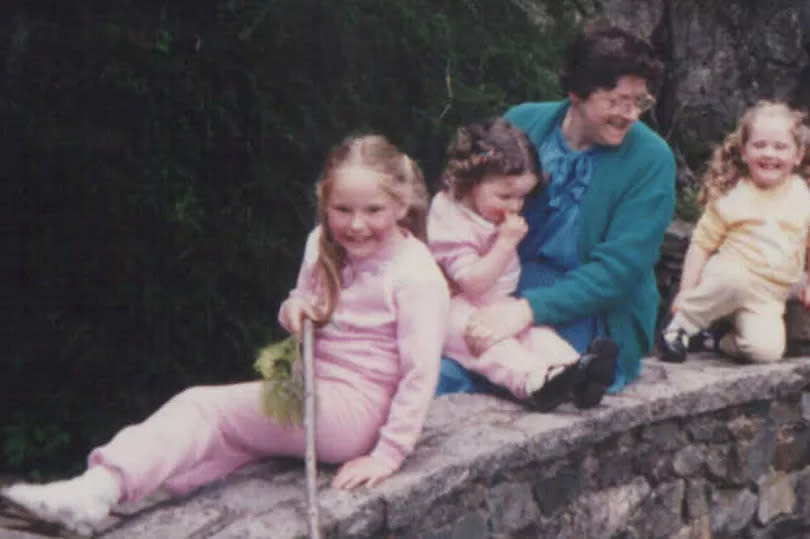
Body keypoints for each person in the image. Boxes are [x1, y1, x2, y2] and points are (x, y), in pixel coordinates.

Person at [2, 134, 450, 536]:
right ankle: (106, 496)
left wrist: (387, 455)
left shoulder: (415, 275)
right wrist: (293, 309)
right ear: (324, 201)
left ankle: (95, 492)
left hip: (354, 412)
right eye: (343, 209)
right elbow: (299, 297)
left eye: (373, 210)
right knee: (205, 459)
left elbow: (420, 374)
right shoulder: (321, 241)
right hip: (308, 389)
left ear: (402, 202)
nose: (355, 225)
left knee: (205, 407)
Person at [436, 18, 676, 397]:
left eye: (640, 101)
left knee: (503, 367)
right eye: (616, 100)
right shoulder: (524, 122)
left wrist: (525, 311)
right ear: (577, 93)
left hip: (592, 306)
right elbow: (467, 202)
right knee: (439, 360)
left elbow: (619, 271)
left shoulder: (651, 159)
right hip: (496, 281)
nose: (630, 114)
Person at [428, 118, 618, 411]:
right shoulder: (450, 215)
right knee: (488, 342)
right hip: (450, 309)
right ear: (468, 183)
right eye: (505, 196)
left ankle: (576, 372)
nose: (515, 206)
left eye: (522, 197)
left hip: (494, 300)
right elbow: (471, 282)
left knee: (534, 331)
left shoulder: (489, 211)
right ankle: (534, 383)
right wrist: (505, 243)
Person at [658, 101, 810, 363]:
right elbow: (701, 244)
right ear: (743, 151)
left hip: (768, 294)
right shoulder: (732, 195)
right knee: (734, 279)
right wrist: (686, 290)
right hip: (726, 279)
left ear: (797, 155)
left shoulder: (802, 194)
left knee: (766, 352)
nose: (769, 153)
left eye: (780, 147)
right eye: (760, 145)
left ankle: (715, 340)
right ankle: (680, 328)